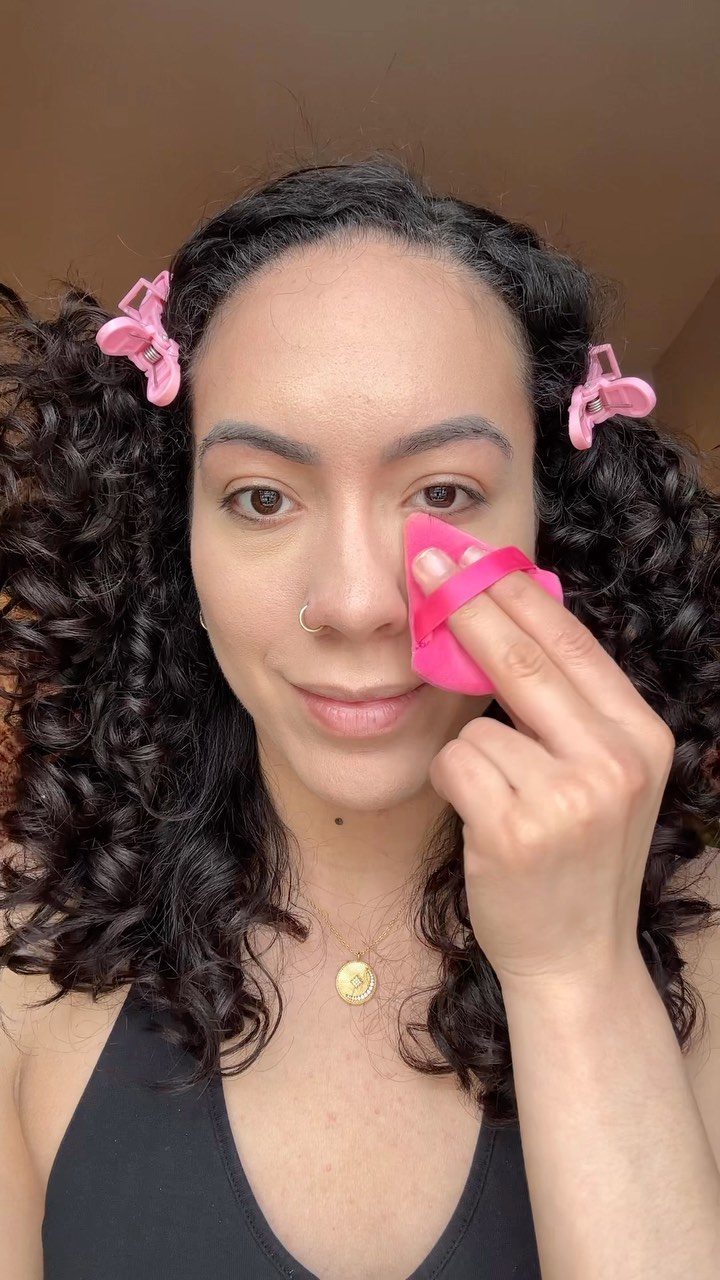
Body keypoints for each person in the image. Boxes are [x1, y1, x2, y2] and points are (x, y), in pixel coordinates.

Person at [0, 154, 718, 1280]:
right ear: (175, 532)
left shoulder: (707, 943)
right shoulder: (25, 941)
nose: (354, 602)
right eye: (261, 497)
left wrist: (580, 975)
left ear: (548, 522)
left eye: (443, 492)